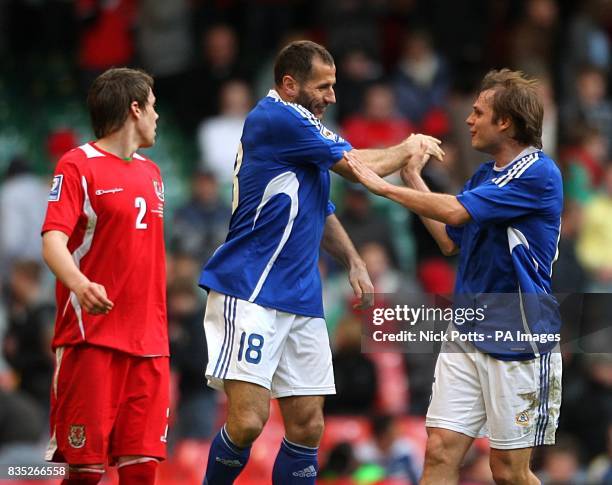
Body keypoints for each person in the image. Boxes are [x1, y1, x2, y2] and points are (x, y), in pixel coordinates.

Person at [198, 40, 443, 485]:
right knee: (249, 421)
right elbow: (354, 167)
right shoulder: (277, 117)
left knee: (309, 426)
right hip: (251, 287)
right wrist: (406, 148)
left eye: (333, 86)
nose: (332, 96)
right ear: (290, 85)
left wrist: (352, 258)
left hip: (302, 296)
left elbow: (319, 207)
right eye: (323, 86)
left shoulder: (301, 133)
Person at [346, 69, 563, 484]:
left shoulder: (538, 172)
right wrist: (410, 176)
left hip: (517, 334)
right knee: (441, 451)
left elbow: (457, 212)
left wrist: (382, 187)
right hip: (467, 326)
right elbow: (450, 240)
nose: (468, 120)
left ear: (505, 122)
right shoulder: (485, 176)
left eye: (478, 112)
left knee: (509, 472)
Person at [41, 67, 169, 485]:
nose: (157, 116)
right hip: (91, 338)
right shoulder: (78, 164)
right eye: (153, 106)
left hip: (149, 344)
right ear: (135, 108)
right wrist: (80, 283)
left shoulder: (153, 173)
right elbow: (53, 242)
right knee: (85, 471)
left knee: (142, 472)